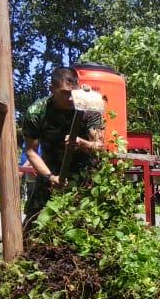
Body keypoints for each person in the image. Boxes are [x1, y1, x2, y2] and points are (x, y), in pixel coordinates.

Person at [21, 67, 104, 230]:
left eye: (72, 93)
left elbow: (99, 147)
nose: (70, 98)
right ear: (51, 89)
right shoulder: (37, 112)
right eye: (64, 93)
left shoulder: (89, 108)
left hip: (84, 173)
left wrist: (82, 143)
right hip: (51, 170)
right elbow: (31, 151)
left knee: (88, 223)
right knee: (33, 221)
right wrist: (50, 177)